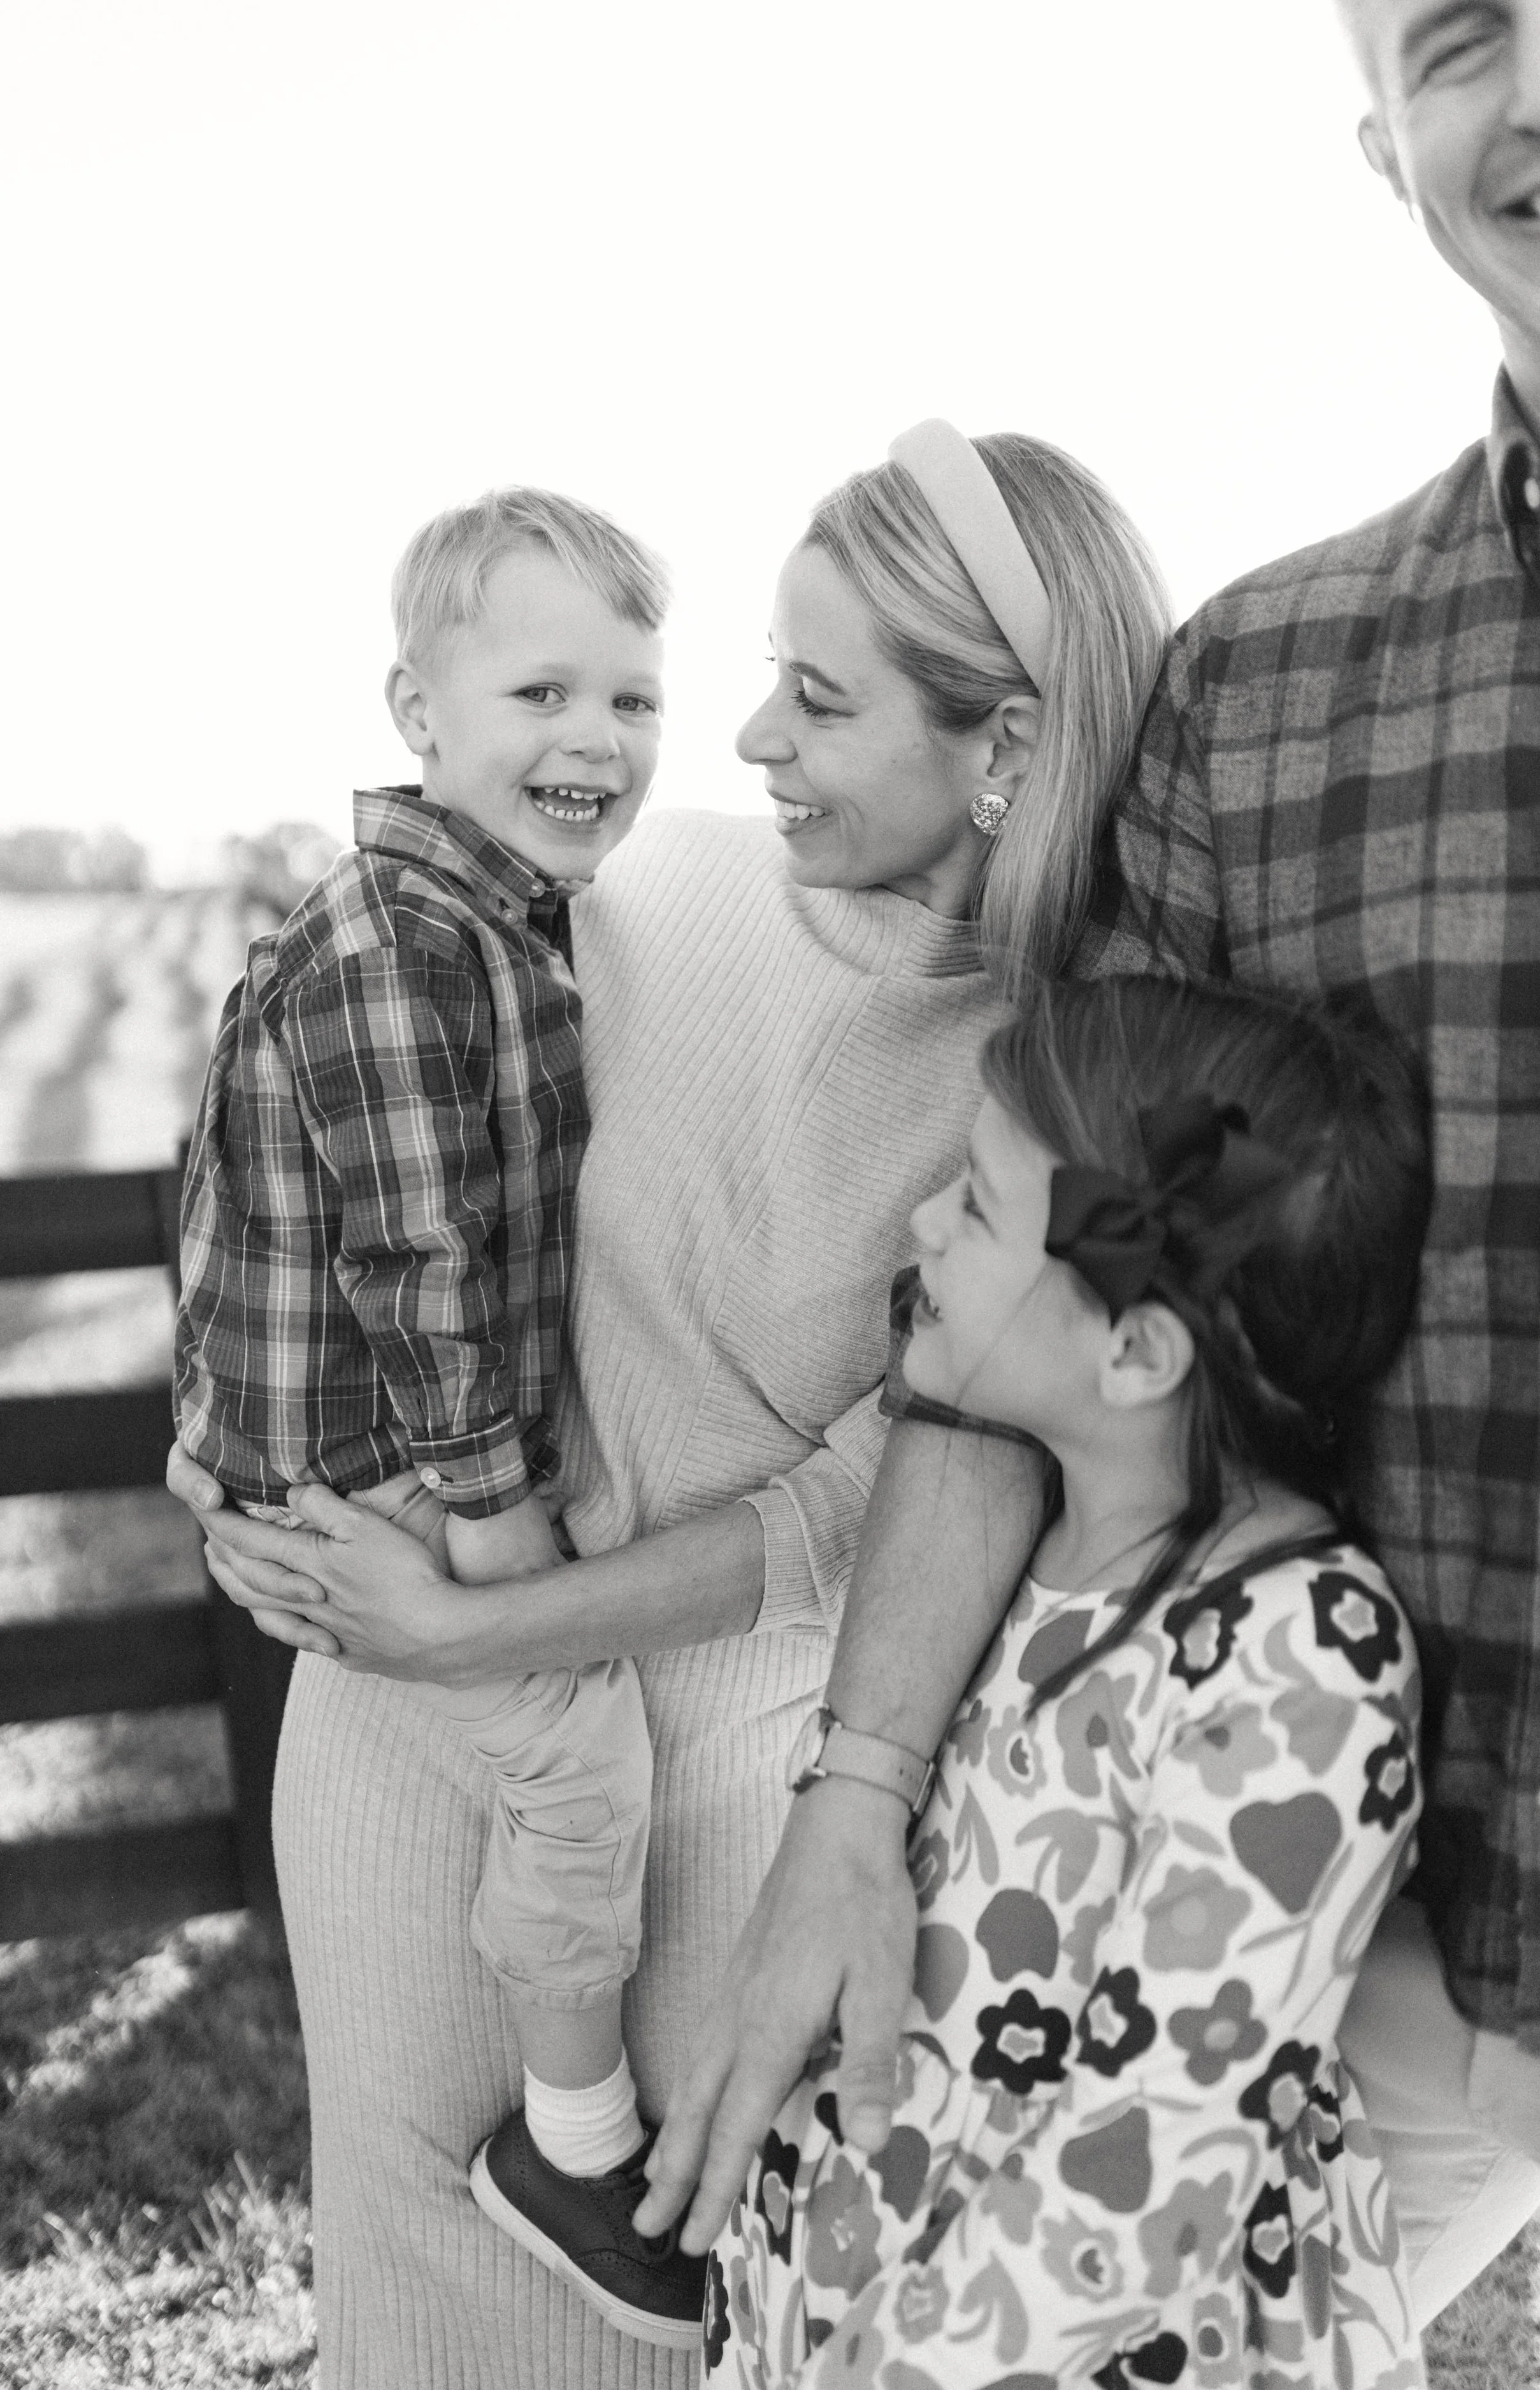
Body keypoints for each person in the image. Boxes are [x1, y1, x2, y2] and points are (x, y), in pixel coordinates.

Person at [631, 0, 1540, 2338]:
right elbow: (1077, 1310)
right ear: (1379, 137)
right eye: (1462, 36)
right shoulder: (1264, 705)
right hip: (1417, 1930)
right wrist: (856, 1796)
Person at [168, 424, 1171, 2389]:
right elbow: (346, 1147)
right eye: (765, 673)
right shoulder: (617, 886)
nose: (741, 736)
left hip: (722, 1785)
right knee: (404, 2293)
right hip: (400, 1706)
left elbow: (865, 1501)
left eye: (819, 698)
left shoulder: (1053, 1080)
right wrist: (254, 1459)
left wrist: (490, 1620)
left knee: (659, 2331)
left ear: (1004, 743)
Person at [713, 973, 1431, 2390]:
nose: (924, 1222)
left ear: (1136, 1348)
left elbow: (1142, 2188)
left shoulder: (1303, 1656)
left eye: (976, 1206)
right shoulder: (1031, 1550)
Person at [172, 485, 713, 2342]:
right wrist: (495, 1526)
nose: (596, 739)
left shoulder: (499, 917)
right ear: (418, 711)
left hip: (364, 1439)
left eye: (632, 699)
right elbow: (417, 1255)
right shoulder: (403, 943)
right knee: (580, 1752)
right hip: (386, 1468)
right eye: (541, 693)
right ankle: (575, 2141)